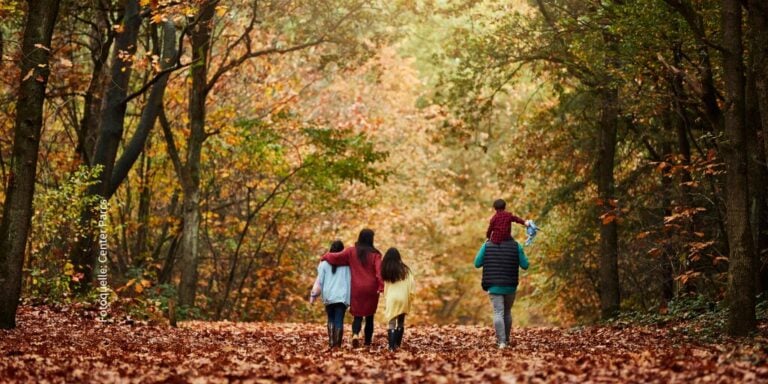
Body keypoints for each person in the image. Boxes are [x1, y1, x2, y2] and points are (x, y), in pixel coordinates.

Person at [322, 229, 383, 347]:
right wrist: (381, 286)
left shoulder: (351, 251)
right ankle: (367, 342)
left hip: (357, 288)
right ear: (371, 239)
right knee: (370, 316)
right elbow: (379, 272)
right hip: (371, 289)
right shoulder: (376, 254)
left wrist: (325, 256)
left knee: (358, 314)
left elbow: (336, 257)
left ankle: (355, 334)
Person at [474, 238, 529, 349]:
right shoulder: (516, 245)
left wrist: (485, 246)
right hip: (510, 285)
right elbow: (525, 265)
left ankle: (502, 342)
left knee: (498, 312)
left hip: (493, 285)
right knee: (507, 312)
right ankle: (506, 340)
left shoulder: (487, 245)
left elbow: (477, 263)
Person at [310, 240, 351, 349]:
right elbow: (351, 280)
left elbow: (319, 281)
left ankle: (331, 343)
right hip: (342, 296)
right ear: (342, 251)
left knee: (331, 319)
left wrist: (314, 295)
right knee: (339, 319)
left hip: (328, 295)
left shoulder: (323, 263)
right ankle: (337, 346)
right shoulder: (348, 264)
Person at [380, 247, 414, 351]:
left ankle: (391, 347)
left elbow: (385, 287)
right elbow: (412, 285)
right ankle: (397, 345)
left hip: (392, 298)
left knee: (391, 322)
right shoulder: (406, 270)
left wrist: (386, 297)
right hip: (403, 298)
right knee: (400, 322)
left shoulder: (386, 270)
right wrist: (410, 297)